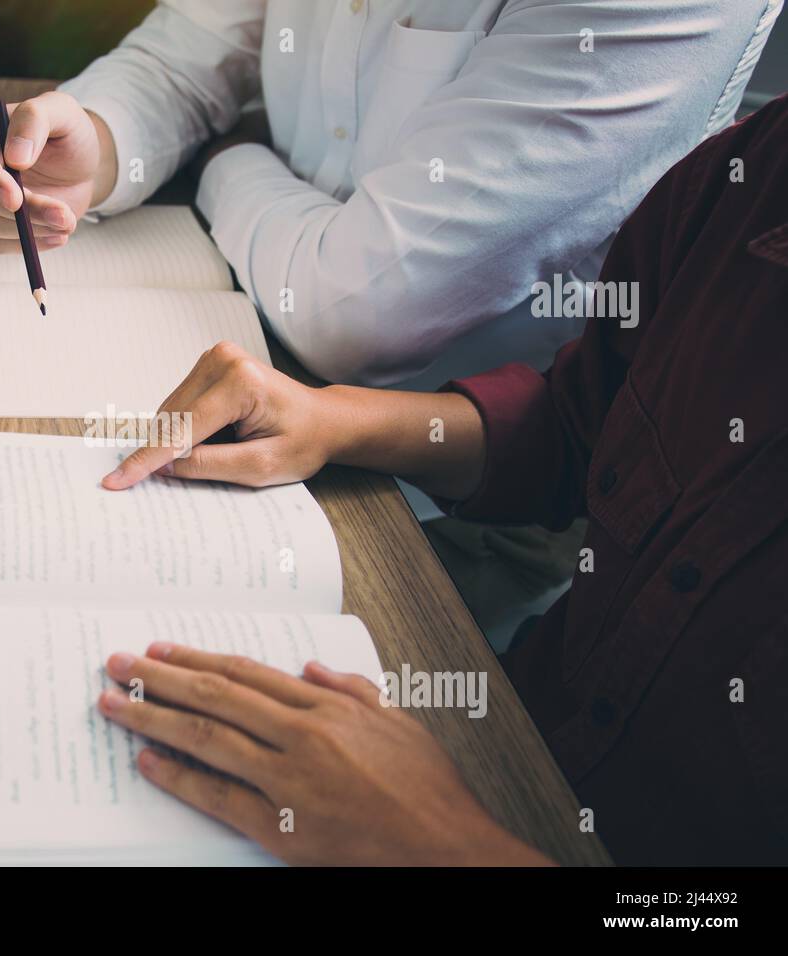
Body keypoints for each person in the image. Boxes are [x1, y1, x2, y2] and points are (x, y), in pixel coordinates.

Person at [90, 94, 788, 865]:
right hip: (505, 730)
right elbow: (580, 427)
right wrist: (337, 420)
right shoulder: (755, 169)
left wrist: (442, 846)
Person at [0, 0, 780, 387]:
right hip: (225, 328)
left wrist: (228, 159)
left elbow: (357, 308)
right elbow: (184, 59)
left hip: (450, 498)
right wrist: (98, 137)